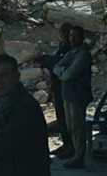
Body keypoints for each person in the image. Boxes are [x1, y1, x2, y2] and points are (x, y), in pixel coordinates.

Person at [54, 25, 93, 169]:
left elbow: (70, 73)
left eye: (75, 36)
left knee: (78, 127)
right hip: (68, 95)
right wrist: (62, 73)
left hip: (78, 95)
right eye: (71, 36)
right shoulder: (71, 52)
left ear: (82, 37)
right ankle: (75, 153)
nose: (72, 39)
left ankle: (79, 156)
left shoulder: (83, 54)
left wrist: (62, 74)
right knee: (71, 128)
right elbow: (57, 66)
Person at [39, 23, 74, 159]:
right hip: (58, 89)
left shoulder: (71, 50)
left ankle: (71, 146)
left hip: (67, 90)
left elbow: (58, 64)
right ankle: (66, 144)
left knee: (68, 119)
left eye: (66, 32)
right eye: (62, 32)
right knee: (61, 117)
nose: (63, 35)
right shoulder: (62, 47)